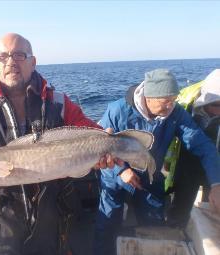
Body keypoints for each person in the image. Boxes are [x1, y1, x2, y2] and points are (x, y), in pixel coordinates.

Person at [0, 33, 115, 255]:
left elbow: (92, 134)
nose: (10, 62)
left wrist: (106, 146)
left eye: (19, 55)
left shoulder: (58, 103)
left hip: (52, 221)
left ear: (33, 62)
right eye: (2, 56)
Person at [94, 68, 220, 255]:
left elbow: (202, 145)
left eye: (173, 101)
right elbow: (98, 148)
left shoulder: (175, 113)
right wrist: (121, 172)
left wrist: (216, 183)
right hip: (115, 174)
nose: (170, 107)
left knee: (155, 225)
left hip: (149, 177)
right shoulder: (117, 110)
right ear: (149, 97)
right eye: (165, 102)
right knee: (108, 220)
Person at [167, 69, 220, 227]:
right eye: (218, 104)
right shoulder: (185, 105)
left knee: (212, 203)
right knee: (183, 199)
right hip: (187, 159)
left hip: (214, 158)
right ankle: (176, 227)